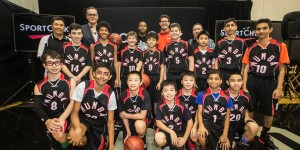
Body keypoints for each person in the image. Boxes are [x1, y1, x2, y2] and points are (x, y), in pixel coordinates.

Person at [242, 18, 290, 150]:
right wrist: (244, 86)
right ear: (255, 31)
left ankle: (264, 134)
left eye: (264, 28)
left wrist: (279, 87)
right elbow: (245, 69)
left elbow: (282, 69)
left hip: (270, 81)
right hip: (253, 80)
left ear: (270, 29)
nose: (261, 31)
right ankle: (250, 135)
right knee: (249, 109)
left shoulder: (280, 46)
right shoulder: (251, 47)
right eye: (258, 29)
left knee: (269, 111)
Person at [68, 62, 117, 150]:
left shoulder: (110, 94)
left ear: (110, 77)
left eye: (106, 74)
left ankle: (94, 141)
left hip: (99, 123)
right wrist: (78, 129)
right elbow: (74, 113)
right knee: (73, 135)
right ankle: (83, 142)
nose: (102, 76)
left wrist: (112, 146)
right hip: (84, 120)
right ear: (93, 73)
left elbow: (110, 122)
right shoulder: (83, 86)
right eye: (99, 73)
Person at [34, 50, 76, 150]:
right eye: (50, 63)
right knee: (55, 142)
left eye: (57, 63)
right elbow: (38, 108)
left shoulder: (70, 81)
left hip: (66, 116)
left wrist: (62, 119)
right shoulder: (39, 86)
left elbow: (72, 102)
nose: (54, 66)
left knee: (59, 134)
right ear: (45, 65)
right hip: (50, 118)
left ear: (61, 64)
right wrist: (48, 121)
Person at [196, 69, 233, 150]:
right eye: (210, 78)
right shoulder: (201, 94)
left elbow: (227, 117)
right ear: (207, 80)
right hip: (207, 123)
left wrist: (225, 134)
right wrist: (201, 126)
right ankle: (203, 147)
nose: (213, 81)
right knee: (201, 135)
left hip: (220, 125)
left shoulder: (227, 96)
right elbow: (199, 112)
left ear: (221, 81)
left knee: (224, 145)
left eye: (216, 79)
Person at [154, 80, 193, 150]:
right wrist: (171, 132)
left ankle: (174, 146)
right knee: (158, 137)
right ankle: (166, 146)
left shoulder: (181, 105)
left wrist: (184, 138)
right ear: (162, 93)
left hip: (178, 133)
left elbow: (190, 122)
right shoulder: (160, 104)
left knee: (179, 146)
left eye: (171, 90)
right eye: (165, 91)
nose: (169, 93)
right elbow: (158, 122)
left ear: (175, 92)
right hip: (165, 131)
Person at [225, 73, 259, 149]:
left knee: (254, 127)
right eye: (233, 81)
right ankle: (231, 140)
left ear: (242, 82)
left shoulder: (246, 96)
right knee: (226, 146)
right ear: (227, 82)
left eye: (239, 80)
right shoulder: (222, 95)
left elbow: (247, 108)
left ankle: (241, 144)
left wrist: (247, 117)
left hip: (239, 123)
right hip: (226, 125)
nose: (236, 83)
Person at [118, 71, 151, 149]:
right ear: (127, 82)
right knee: (128, 144)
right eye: (130, 80)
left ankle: (142, 139)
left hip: (140, 120)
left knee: (140, 126)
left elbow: (142, 115)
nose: (132, 83)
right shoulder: (123, 95)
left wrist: (126, 115)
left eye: (136, 80)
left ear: (140, 83)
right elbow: (122, 116)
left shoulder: (144, 94)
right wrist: (128, 131)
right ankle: (130, 133)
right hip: (128, 121)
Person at [213, 18, 248, 90]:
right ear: (224, 28)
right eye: (227, 26)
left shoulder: (242, 42)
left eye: (232, 25)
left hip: (236, 72)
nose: (230, 27)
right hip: (223, 72)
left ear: (236, 27)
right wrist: (216, 75)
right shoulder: (220, 43)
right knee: (223, 95)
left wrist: (242, 74)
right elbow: (215, 60)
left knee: (235, 95)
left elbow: (245, 61)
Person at [90, 21, 119, 90]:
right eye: (101, 30)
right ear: (98, 32)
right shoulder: (93, 46)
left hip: (110, 75)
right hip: (98, 75)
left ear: (109, 33)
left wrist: (117, 78)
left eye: (106, 30)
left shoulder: (113, 46)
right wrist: (91, 76)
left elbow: (115, 62)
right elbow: (91, 63)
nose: (104, 32)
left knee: (110, 95)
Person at [164, 22, 194, 90]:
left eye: (176, 31)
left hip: (183, 74)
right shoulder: (167, 46)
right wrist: (165, 77)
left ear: (180, 32)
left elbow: (191, 60)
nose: (174, 32)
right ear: (169, 33)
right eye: (172, 31)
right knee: (171, 94)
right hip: (171, 74)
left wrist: (190, 76)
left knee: (182, 93)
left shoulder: (186, 44)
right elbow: (165, 64)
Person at [142, 31, 165, 117]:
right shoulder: (144, 53)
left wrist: (161, 81)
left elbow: (162, 67)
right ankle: (148, 118)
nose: (151, 41)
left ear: (156, 42)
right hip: (146, 78)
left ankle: (156, 118)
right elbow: (143, 67)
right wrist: (141, 79)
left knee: (156, 100)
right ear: (146, 41)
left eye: (153, 40)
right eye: (149, 40)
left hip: (156, 78)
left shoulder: (160, 53)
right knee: (147, 99)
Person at [176, 71, 198, 150]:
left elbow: (198, 113)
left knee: (195, 136)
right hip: (179, 123)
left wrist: (195, 127)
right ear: (181, 81)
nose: (188, 83)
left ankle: (193, 142)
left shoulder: (198, 95)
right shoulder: (175, 95)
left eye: (191, 80)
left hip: (193, 122)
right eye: (185, 80)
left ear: (194, 82)